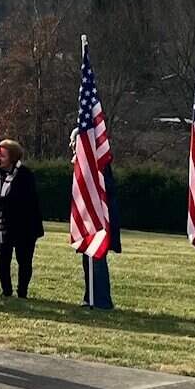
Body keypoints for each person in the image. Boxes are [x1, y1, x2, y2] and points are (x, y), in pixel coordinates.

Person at [0, 139, 44, 298]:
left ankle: (22, 291)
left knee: (24, 260)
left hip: (24, 227)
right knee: (2, 259)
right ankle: (6, 290)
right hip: (0, 227)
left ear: (12, 157)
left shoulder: (25, 175)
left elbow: (23, 199)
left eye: (2, 156)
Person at [75, 128, 120, 309]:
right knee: (88, 260)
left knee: (97, 259)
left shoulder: (98, 167)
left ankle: (102, 300)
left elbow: (105, 191)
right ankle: (91, 296)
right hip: (90, 218)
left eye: (74, 143)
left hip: (101, 219)